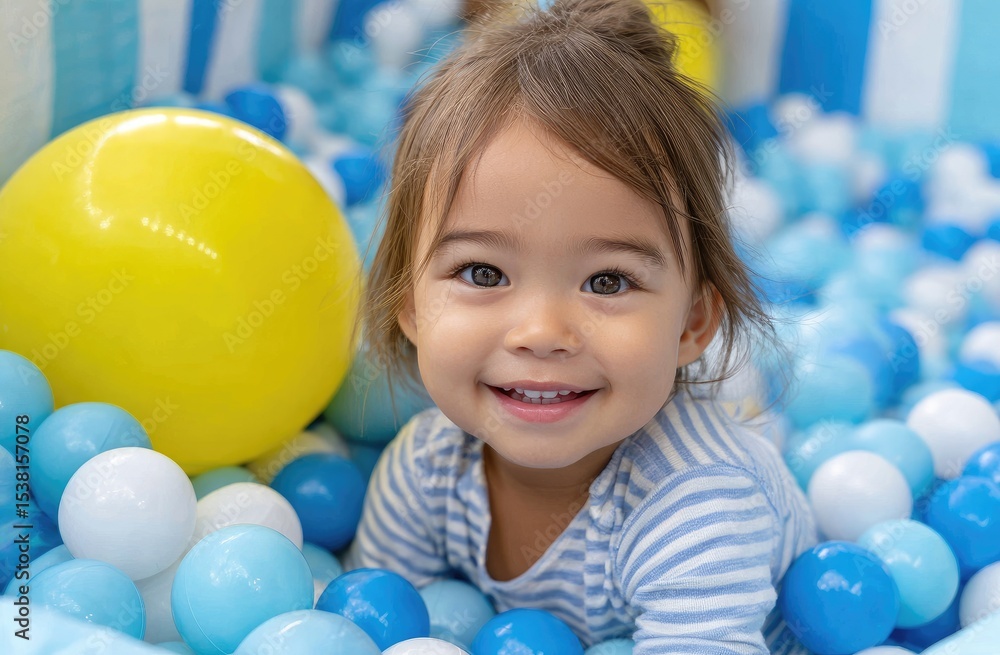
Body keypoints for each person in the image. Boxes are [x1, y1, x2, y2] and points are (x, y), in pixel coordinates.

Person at [345, 0, 817, 652]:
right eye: (483, 273)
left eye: (607, 281)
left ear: (693, 323)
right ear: (410, 305)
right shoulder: (425, 472)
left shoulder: (696, 504)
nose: (541, 331)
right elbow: (363, 629)